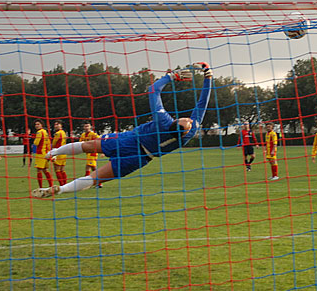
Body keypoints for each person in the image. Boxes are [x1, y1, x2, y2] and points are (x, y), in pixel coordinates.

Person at [32, 62, 212, 198]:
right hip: (139, 159)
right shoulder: (187, 135)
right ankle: (61, 189)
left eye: (186, 121)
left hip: (129, 141)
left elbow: (153, 89)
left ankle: (52, 155)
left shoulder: (163, 120)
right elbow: (202, 104)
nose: (188, 119)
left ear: (176, 122)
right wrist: (208, 78)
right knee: (95, 178)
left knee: (88, 147)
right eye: (188, 121)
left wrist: (171, 77)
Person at [33, 119, 54, 188]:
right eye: (36, 124)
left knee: (39, 170)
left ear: (42, 125)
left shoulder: (39, 132)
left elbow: (36, 143)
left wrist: (34, 138)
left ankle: (40, 187)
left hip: (40, 153)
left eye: (38, 124)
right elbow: (48, 143)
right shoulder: (45, 132)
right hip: (45, 153)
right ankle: (51, 185)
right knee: (45, 170)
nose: (36, 126)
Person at [51, 120, 68, 186]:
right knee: (62, 170)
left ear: (61, 125)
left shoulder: (58, 133)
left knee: (57, 170)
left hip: (58, 153)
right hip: (64, 152)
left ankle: (61, 185)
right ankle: (65, 184)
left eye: (57, 124)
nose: (56, 126)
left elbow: (54, 143)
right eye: (55, 124)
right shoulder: (63, 132)